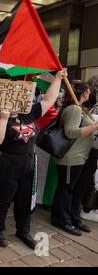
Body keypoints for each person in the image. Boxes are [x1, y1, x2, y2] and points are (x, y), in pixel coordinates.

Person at [0, 70, 65, 249]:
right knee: (2, 199)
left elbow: (48, 101)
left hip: (28, 165)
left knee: (24, 200)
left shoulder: (28, 113)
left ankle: (23, 231)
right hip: (6, 164)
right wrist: (4, 119)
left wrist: (59, 78)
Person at [51, 82, 98, 235]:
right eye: (88, 90)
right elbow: (70, 132)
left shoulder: (79, 108)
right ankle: (61, 220)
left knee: (72, 190)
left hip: (80, 157)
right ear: (84, 92)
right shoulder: (74, 109)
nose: (90, 92)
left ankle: (72, 218)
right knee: (65, 189)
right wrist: (95, 126)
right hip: (71, 157)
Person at [80, 98, 98, 222]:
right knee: (92, 181)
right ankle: (88, 209)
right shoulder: (94, 110)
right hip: (92, 150)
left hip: (92, 149)